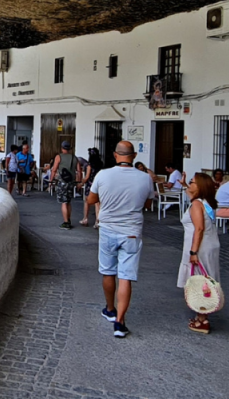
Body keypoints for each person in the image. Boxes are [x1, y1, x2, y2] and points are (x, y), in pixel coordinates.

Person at [86, 141, 153, 338]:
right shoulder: (145, 178)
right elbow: (148, 204)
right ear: (133, 156)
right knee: (126, 276)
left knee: (108, 271)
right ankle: (120, 322)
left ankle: (110, 309)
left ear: (115, 155)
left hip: (107, 229)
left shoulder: (103, 175)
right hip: (132, 231)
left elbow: (91, 200)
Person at [179, 173, 221, 334]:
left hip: (200, 247)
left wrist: (193, 251)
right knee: (204, 280)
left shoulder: (196, 205)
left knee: (201, 282)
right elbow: (190, 193)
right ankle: (200, 316)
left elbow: (199, 228)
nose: (189, 184)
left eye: (192, 182)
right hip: (209, 245)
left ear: (200, 186)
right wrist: (184, 185)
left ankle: (203, 320)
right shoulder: (205, 202)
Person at [50, 141, 83, 230]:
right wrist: (79, 182)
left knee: (63, 202)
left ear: (62, 147)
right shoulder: (75, 158)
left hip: (62, 182)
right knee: (68, 202)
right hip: (71, 183)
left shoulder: (59, 157)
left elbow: (54, 169)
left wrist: (51, 180)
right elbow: (79, 171)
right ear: (70, 148)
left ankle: (66, 222)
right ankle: (68, 219)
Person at [80, 148, 104, 227]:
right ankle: (97, 221)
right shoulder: (101, 165)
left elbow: (87, 177)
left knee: (87, 201)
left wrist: (81, 183)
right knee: (97, 203)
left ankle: (85, 219)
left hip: (90, 185)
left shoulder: (89, 166)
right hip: (99, 185)